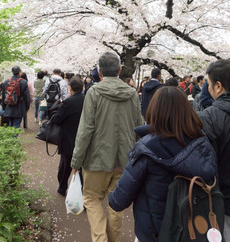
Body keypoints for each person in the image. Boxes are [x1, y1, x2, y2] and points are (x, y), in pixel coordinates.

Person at [109, 86, 217, 242]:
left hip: (155, 232)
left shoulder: (147, 149)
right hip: (194, 229)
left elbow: (118, 201)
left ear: (154, 111)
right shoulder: (203, 145)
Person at [71, 51, 143, 242]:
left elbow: (86, 129)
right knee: (115, 205)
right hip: (124, 160)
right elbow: (139, 127)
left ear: (99, 72)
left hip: (96, 160)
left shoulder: (94, 92)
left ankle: (100, 239)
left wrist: (76, 160)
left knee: (92, 199)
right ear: (119, 70)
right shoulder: (132, 94)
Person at [197, 59, 230, 241]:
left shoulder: (208, 118)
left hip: (223, 203)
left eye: (208, 84)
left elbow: (205, 167)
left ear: (218, 86)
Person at [51, 76, 84, 196]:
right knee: (82, 168)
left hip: (69, 138)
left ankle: (62, 187)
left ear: (70, 88)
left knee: (65, 166)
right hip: (83, 139)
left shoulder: (68, 102)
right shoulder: (87, 100)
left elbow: (58, 119)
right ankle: (82, 192)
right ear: (83, 87)